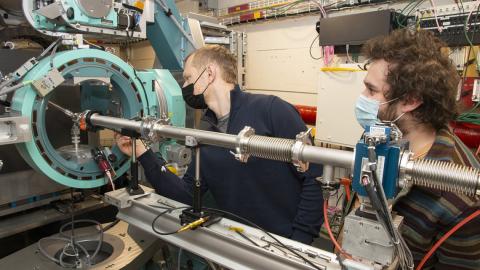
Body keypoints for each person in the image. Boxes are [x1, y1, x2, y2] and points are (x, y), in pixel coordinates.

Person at [117, 45, 324, 244]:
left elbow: (314, 178)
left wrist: (300, 240)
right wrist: (142, 153)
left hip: (286, 244)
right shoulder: (205, 135)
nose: (184, 86)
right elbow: (186, 195)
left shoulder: (271, 110)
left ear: (209, 74)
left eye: (188, 77)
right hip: (238, 243)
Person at [354, 29, 480, 269]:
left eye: (371, 90)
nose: (362, 97)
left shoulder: (462, 196)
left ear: (410, 101)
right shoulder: (378, 139)